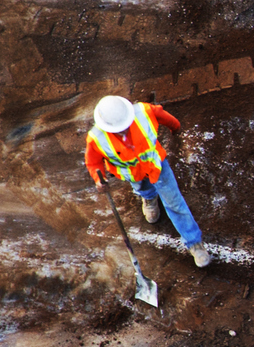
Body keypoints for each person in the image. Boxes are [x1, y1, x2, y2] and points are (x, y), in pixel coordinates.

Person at [85, 93, 211, 268]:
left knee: (175, 203)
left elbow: (167, 119)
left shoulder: (144, 112)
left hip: (156, 167)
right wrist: (99, 179)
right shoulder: (96, 138)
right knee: (143, 188)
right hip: (133, 175)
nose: (123, 131)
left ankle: (194, 243)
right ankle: (149, 198)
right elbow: (93, 162)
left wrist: (176, 127)